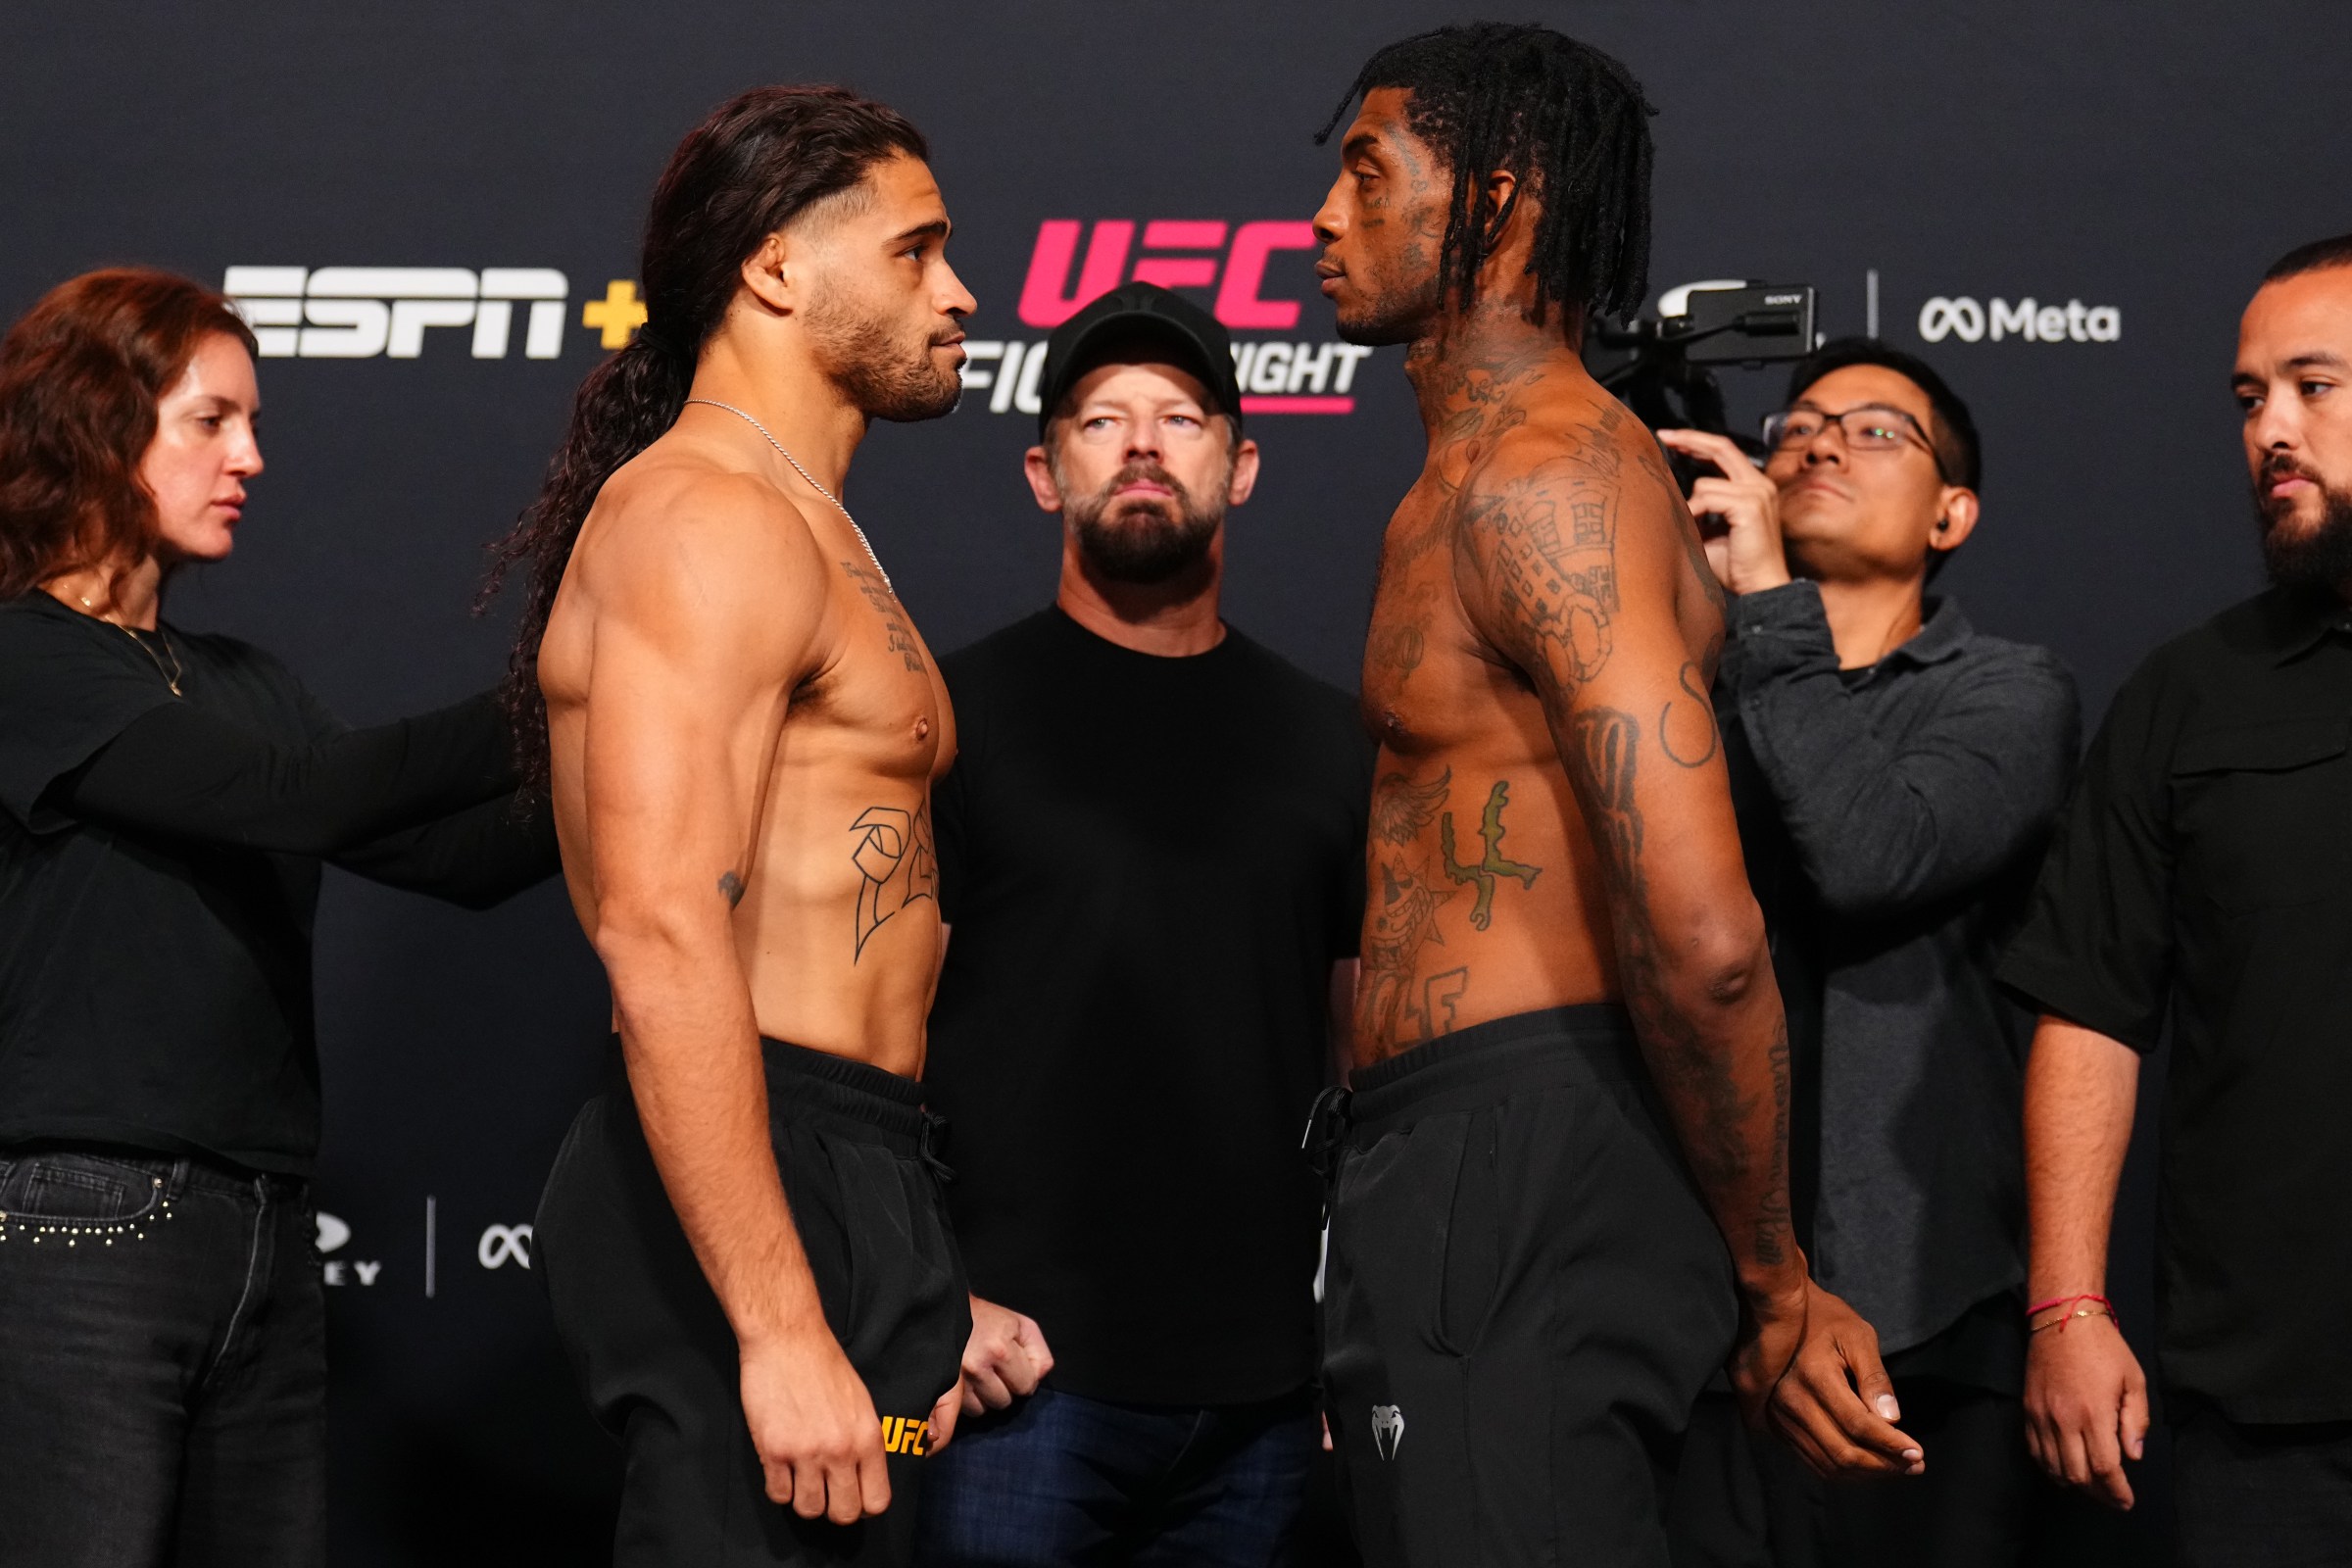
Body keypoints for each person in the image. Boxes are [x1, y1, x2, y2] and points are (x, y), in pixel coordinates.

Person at [1304, 25, 1923, 1565]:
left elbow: (1706, 933)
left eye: (1368, 172)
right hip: (1474, 1162)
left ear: (1500, 199)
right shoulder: (1485, 477)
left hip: (1518, 1167)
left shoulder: (1549, 481)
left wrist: (1776, 1280)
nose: (1322, 215)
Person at [0, 268, 556, 1568]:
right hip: (83, 1234)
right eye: (212, 420)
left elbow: (458, 859)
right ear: (95, 422)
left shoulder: (244, 681)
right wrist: (572, 677)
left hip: (267, 1238)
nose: (251, 456)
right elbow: (297, 798)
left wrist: (655, 750)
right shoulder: (20, 656)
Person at [509, 87, 977, 1567]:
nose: (960, 294)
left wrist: (913, 1270)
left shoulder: (803, 520)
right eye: (917, 253)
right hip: (763, 1159)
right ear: (776, 268)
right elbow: (660, 929)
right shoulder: (710, 521)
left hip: (849, 1165)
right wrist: (778, 1324)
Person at [913, 280, 1372, 1565]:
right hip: (1020, 1372)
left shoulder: (1334, 741)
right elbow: (868, 1039)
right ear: (1041, 471)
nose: (1143, 445)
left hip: (1266, 1391)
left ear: (1246, 461)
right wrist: (926, 1291)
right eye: (1101, 419)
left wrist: (1358, 1326)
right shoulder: (950, 717)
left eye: (1181, 416)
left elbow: (1364, 1060)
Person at [1653, 343, 2080, 1567]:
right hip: (1698, 1323)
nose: (1820, 443)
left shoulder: (2006, 693)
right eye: (1797, 427)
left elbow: (1870, 855)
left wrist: (1773, 610)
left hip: (1926, 1322)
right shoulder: (1678, 701)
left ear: (1954, 511)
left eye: (1877, 431)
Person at [2001, 234, 2352, 1565]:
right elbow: (2091, 1007)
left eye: (2314, 387)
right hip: (2263, 1424)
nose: (2271, 429)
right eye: (2249, 397)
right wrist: (2067, 1310)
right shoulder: (2189, 694)